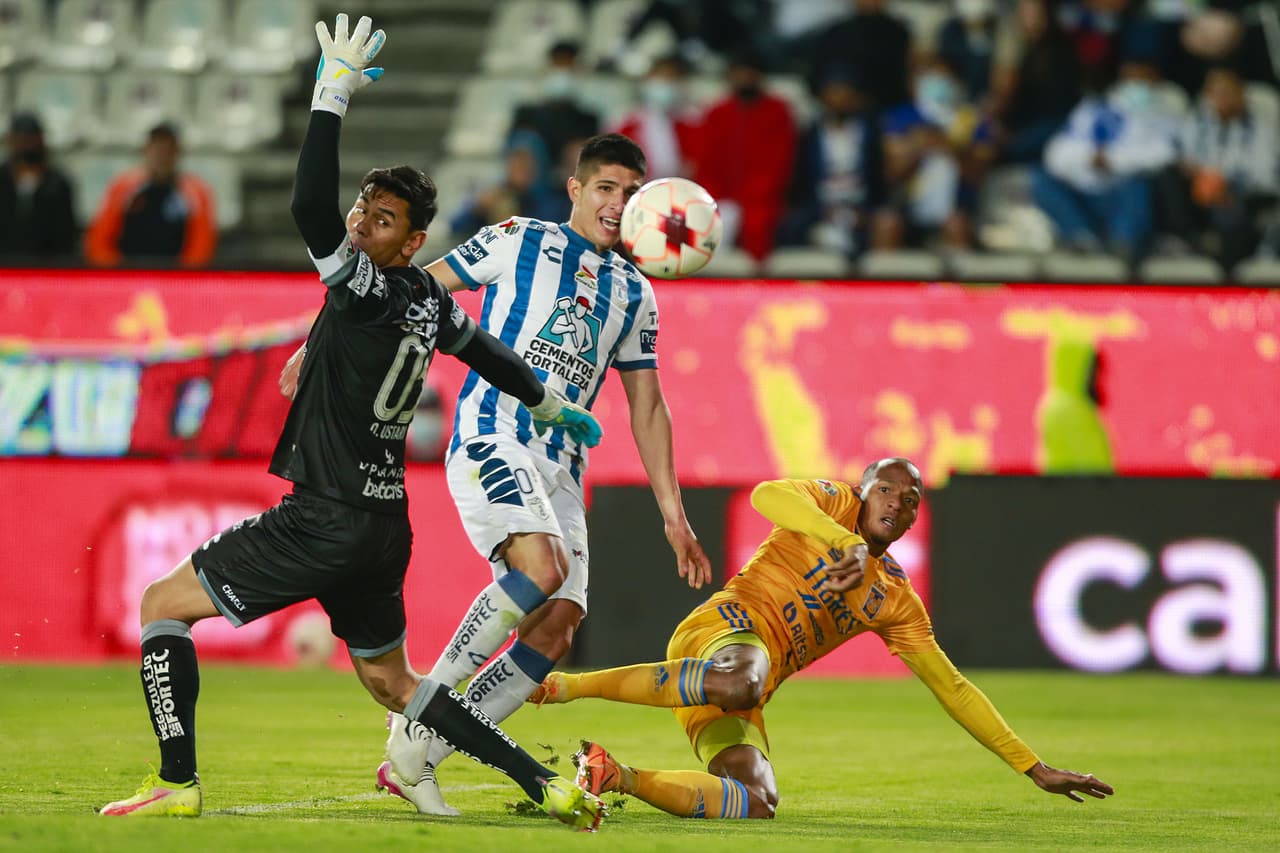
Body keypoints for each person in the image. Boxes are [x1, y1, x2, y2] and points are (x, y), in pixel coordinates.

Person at [99, 14, 606, 831]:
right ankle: (545, 783)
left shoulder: (364, 286)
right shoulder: (428, 298)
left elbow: (307, 202)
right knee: (393, 683)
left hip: (323, 515)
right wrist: (550, 404)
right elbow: (489, 354)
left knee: (163, 603)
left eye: (381, 218)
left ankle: (176, 781)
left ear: (411, 241)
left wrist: (330, 92)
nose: (360, 222)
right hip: (380, 524)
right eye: (363, 208)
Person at [370, 130, 714, 815]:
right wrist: (328, 345)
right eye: (606, 188)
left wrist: (673, 514)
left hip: (563, 469)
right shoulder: (519, 238)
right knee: (542, 569)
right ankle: (416, 709)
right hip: (493, 435)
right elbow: (420, 289)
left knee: (556, 625)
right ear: (576, 189)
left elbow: (647, 405)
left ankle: (419, 753)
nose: (618, 204)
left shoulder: (637, 293)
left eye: (631, 193)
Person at [529, 459, 1115, 818]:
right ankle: (565, 686)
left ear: (914, 520)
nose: (896, 503)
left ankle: (613, 775)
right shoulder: (830, 504)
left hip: (736, 686)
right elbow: (765, 495)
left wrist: (1032, 767)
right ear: (863, 491)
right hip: (724, 632)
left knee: (757, 801)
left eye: (910, 501)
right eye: (885, 490)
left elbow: (953, 688)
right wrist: (845, 542)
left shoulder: (895, 600)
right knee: (743, 679)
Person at [691, 49, 797, 262]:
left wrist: (747, 199)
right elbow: (705, 163)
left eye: (750, 73)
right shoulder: (717, 113)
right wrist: (717, 199)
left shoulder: (778, 112)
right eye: (739, 73)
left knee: (757, 225)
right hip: (720, 196)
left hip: (761, 200)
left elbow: (779, 165)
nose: (745, 78)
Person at [84, 122, 218, 268]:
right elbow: (100, 239)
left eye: (168, 149)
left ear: (178, 153)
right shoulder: (123, 188)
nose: (162, 156)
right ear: (145, 150)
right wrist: (117, 271)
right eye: (157, 148)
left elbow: (201, 246)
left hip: (175, 275)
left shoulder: (195, 192)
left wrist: (182, 274)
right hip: (128, 273)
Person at [0, 112, 78, 260]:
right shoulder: (2, 180)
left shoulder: (58, 184)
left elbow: (65, 237)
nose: (26, 146)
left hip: (45, 266)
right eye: (21, 140)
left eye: (31, 139)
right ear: (11, 140)